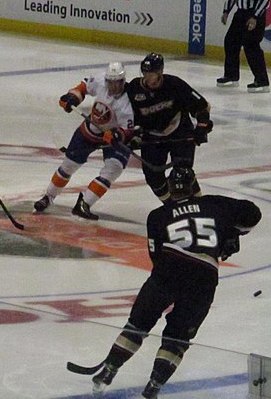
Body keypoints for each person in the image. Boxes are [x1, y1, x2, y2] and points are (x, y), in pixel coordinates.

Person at [89, 167, 261, 398]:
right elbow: (252, 214)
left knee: (137, 325)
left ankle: (109, 370)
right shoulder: (214, 204)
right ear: (194, 186)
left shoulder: (157, 216)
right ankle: (154, 387)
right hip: (205, 273)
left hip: (169, 265)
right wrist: (232, 234)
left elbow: (155, 256)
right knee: (178, 337)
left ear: (169, 188)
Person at [34, 62, 135, 220]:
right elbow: (83, 87)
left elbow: (128, 129)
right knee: (68, 166)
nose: (113, 86)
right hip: (90, 131)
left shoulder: (128, 102)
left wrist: (118, 135)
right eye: (110, 82)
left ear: (123, 81)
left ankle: (84, 204)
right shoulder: (101, 80)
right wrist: (72, 97)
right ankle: (48, 197)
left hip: (111, 139)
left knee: (113, 169)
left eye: (117, 82)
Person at [126, 53, 213, 201]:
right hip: (152, 136)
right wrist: (131, 135)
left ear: (160, 72)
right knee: (153, 177)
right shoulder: (134, 89)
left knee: (183, 173)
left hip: (180, 132)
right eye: (146, 73)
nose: (149, 78)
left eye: (152, 74)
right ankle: (171, 208)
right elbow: (126, 115)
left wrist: (201, 126)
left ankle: (200, 206)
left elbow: (202, 106)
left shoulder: (174, 84)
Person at [218, 0, 270, 92]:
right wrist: (226, 11)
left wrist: (254, 17)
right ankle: (231, 76)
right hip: (240, 13)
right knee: (230, 41)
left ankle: (262, 80)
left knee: (251, 45)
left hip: (255, 14)